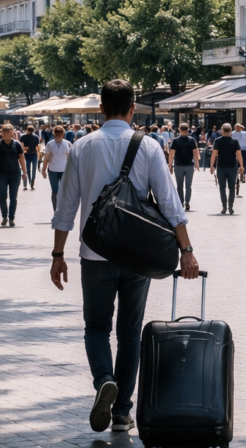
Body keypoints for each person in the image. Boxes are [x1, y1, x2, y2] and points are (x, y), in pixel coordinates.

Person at [49, 79, 199, 434]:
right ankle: (121, 412)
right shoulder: (148, 146)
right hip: (137, 255)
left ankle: (104, 379)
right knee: (129, 333)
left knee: (97, 327)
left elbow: (66, 207)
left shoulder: (81, 146)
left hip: (94, 252)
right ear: (133, 108)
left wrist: (58, 255)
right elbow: (169, 202)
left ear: (100, 109)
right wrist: (187, 251)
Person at [0, 124, 26, 226]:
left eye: (7, 133)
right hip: (1, 174)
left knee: (13, 197)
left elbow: (21, 158)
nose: (4, 135)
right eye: (3, 133)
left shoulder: (17, 144)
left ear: (12, 133)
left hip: (15, 174)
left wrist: (24, 172)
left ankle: (11, 218)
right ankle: (4, 216)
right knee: (2, 196)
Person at [209, 123, 244, 214]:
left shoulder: (217, 141)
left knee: (222, 187)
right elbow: (239, 155)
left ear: (222, 130)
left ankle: (224, 206)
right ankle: (231, 206)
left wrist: (211, 166)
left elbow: (214, 154)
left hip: (221, 167)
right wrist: (241, 166)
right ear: (230, 130)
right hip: (232, 166)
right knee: (232, 187)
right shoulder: (235, 141)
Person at [168, 123, 199, 211]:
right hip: (189, 165)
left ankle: (180, 202)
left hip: (178, 164)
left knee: (179, 186)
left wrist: (170, 164)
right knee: (188, 186)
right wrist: (196, 163)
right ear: (188, 130)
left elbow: (171, 153)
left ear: (179, 129)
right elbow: (195, 153)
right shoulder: (192, 140)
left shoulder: (175, 140)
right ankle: (187, 202)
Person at [41, 125, 72, 211]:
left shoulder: (67, 144)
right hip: (54, 169)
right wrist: (43, 170)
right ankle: (57, 209)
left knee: (60, 191)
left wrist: (43, 170)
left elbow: (71, 159)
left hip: (62, 170)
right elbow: (46, 158)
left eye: (60, 133)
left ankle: (59, 209)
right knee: (56, 191)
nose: (59, 134)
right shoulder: (51, 144)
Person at [20, 125, 41, 191]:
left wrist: (24, 150)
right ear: (33, 130)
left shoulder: (23, 136)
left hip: (26, 155)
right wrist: (39, 155)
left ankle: (25, 185)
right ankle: (32, 184)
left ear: (27, 130)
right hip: (34, 155)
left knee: (25, 170)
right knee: (33, 170)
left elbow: (21, 146)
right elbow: (38, 147)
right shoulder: (36, 137)